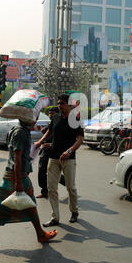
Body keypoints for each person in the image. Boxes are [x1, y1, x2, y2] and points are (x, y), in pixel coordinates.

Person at [0, 118, 58, 248]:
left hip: (16, 174)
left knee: (21, 204)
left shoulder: (21, 130)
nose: (35, 119)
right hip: (16, 176)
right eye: (32, 117)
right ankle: (40, 234)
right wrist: (18, 182)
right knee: (9, 204)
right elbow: (17, 157)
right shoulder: (20, 132)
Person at [35, 94, 84, 227]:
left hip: (69, 159)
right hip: (53, 157)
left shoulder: (75, 120)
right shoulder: (55, 117)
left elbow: (80, 139)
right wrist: (40, 142)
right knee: (51, 188)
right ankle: (55, 217)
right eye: (58, 103)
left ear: (69, 105)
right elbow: (49, 132)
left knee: (70, 187)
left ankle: (74, 212)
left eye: (62, 103)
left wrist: (69, 151)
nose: (59, 105)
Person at [36, 107, 65, 199]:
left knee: (53, 172)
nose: (50, 115)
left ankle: (67, 182)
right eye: (49, 113)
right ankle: (44, 191)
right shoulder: (50, 123)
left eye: (53, 113)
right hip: (45, 150)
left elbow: (62, 139)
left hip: (55, 151)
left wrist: (50, 144)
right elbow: (48, 133)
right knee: (41, 170)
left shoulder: (61, 124)